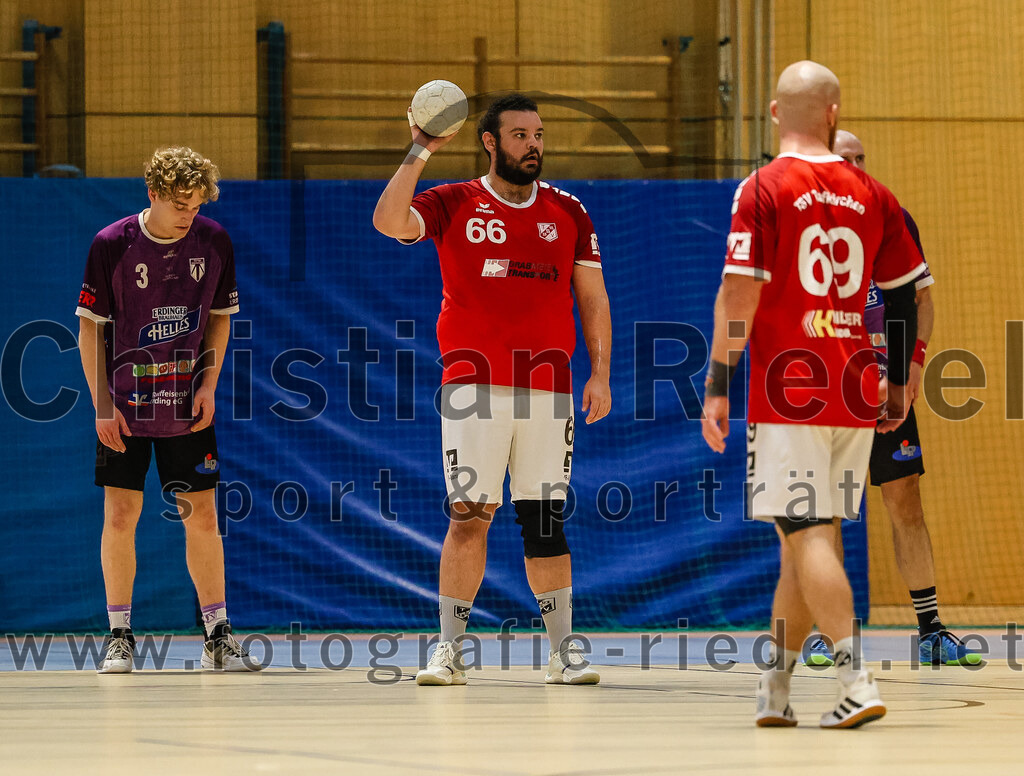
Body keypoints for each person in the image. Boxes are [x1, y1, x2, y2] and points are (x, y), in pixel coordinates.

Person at [701, 61, 926, 728]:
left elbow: (740, 292)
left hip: (789, 388)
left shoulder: (764, 186)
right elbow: (907, 288)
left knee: (804, 533)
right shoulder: (872, 191)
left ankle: (855, 681)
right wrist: (901, 376)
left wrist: (718, 380)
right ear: (834, 111)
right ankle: (776, 690)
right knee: (803, 539)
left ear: (774, 114)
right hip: (855, 382)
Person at [373, 94, 612, 686]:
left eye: (538, 133)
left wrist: (601, 372)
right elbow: (388, 221)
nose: (534, 144)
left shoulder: (569, 211)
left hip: (548, 388)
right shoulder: (454, 201)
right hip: (472, 386)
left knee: (545, 520)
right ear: (490, 141)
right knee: (468, 516)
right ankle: (448, 651)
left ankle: (563, 653)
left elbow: (593, 297)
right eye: (520, 135)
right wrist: (421, 149)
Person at [77, 147, 260, 673]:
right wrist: (102, 406)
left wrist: (209, 384)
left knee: (201, 516)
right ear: (152, 193)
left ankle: (218, 635)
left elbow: (221, 317)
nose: (188, 214)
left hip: (186, 405)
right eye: (180, 203)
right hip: (126, 407)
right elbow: (89, 329)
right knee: (121, 514)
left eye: (197, 205)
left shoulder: (214, 240)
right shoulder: (111, 244)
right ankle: (119, 636)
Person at [802, 130, 978, 667]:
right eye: (843, 158)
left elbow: (922, 299)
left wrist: (914, 365)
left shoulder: (892, 218)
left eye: (861, 158)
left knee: (905, 501)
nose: (855, 166)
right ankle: (832, 637)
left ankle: (931, 631)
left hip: (889, 388)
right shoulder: (807, 224)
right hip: (829, 389)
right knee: (824, 512)